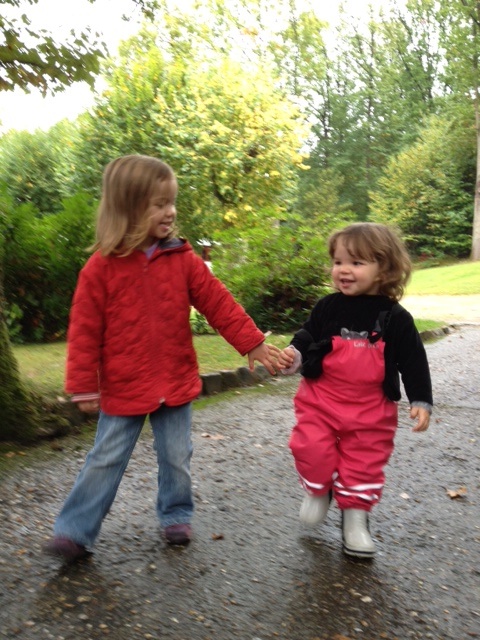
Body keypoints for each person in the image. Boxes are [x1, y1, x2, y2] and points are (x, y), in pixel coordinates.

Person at [44, 154, 279, 562]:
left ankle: (176, 514)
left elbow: (218, 303)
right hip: (124, 385)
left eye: (172, 202)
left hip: (175, 378)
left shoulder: (182, 259)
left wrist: (251, 342)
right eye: (159, 204)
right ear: (129, 208)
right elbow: (83, 330)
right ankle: (74, 532)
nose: (170, 211)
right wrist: (82, 384)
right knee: (105, 459)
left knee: (176, 456)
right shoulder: (100, 268)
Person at [276, 222, 432, 558]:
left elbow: (413, 360)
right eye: (338, 262)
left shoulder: (395, 317)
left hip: (371, 410)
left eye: (356, 263)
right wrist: (294, 354)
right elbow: (307, 336)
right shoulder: (327, 307)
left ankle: (355, 521)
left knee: (363, 463)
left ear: (384, 270)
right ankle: (319, 490)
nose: (343, 270)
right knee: (310, 447)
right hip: (320, 401)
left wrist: (421, 398)